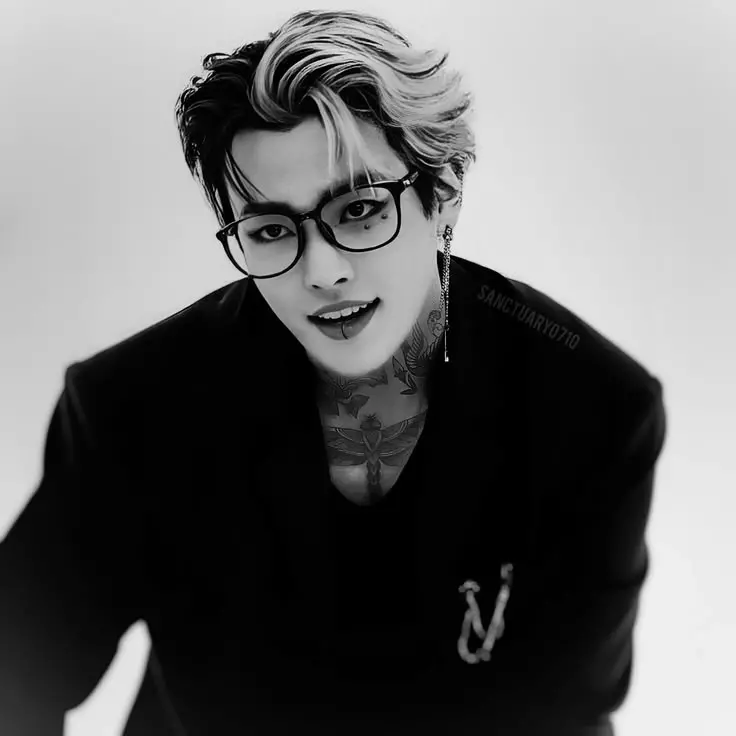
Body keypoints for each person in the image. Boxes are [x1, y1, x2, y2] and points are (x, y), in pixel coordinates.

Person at [0, 9, 668, 735]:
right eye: (271, 230)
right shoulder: (134, 410)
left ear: (443, 194)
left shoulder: (594, 409)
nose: (322, 270)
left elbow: (571, 711)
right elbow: (16, 674)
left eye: (359, 209)